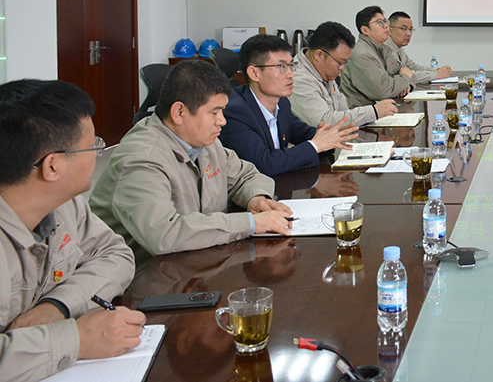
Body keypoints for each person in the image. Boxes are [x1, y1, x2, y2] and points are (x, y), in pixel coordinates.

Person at [0, 80, 144, 382]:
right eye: (93, 146)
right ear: (52, 166)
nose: (98, 154)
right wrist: (76, 339)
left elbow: (115, 254)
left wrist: (58, 306)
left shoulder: (64, 204)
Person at [90, 61, 294, 257]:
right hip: (142, 271)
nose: (222, 121)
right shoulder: (141, 159)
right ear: (179, 112)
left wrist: (256, 199)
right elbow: (164, 234)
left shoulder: (204, 141)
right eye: (215, 112)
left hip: (195, 259)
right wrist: (250, 223)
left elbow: (246, 176)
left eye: (223, 111)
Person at [220, 34, 357, 176]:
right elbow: (264, 164)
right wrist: (316, 145)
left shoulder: (282, 102)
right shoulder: (234, 112)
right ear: (254, 73)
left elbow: (301, 132)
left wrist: (330, 137)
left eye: (291, 66)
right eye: (282, 67)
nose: (291, 74)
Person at [291, 21, 398, 128]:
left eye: (345, 63)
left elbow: (343, 111)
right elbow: (324, 123)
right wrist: (373, 112)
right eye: (340, 62)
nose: (342, 68)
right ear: (319, 55)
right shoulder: (298, 79)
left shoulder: (324, 70)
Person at [340, 6, 415, 107]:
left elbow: (410, 73)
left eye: (385, 21)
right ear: (365, 30)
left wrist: (407, 84)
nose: (386, 26)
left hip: (381, 109)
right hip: (362, 113)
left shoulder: (384, 49)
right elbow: (383, 90)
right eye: (380, 22)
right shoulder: (363, 54)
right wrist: (405, 79)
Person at [387, 11, 453, 85]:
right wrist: (436, 74)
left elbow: (413, 67)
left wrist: (437, 70)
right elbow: (402, 75)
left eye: (410, 29)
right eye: (403, 29)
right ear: (389, 30)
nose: (409, 34)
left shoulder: (399, 49)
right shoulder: (386, 49)